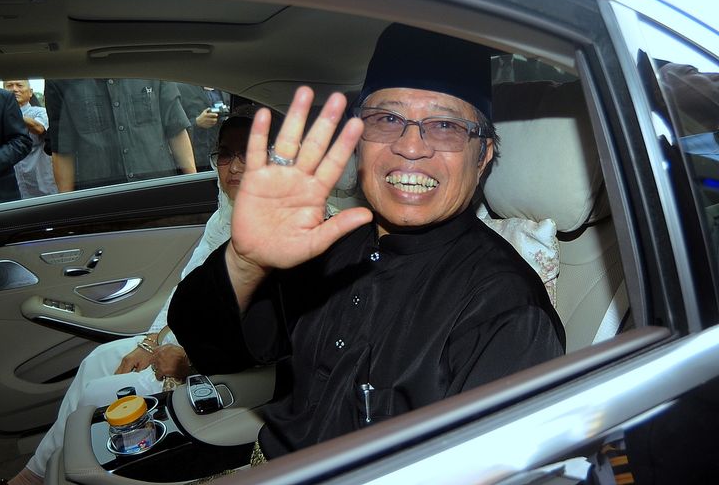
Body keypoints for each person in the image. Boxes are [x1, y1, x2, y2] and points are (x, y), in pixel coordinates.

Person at [168, 23, 566, 464]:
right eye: (388, 119)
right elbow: (216, 351)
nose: (410, 147)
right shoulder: (329, 246)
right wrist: (244, 262)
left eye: (445, 126)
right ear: (358, 140)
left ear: (484, 155)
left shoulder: (506, 311)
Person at [2, 106, 267, 485]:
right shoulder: (224, 216)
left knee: (102, 390)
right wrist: (149, 341)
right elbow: (185, 288)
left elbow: (262, 332)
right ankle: (34, 474)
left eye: (249, 154)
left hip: (221, 368)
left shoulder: (280, 235)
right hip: (186, 343)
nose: (235, 167)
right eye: (225, 154)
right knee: (98, 360)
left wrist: (189, 358)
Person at [44, 79, 197, 192]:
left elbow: (176, 129)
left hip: (159, 194)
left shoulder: (152, 66)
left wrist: (193, 188)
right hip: (100, 202)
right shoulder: (62, 80)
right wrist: (69, 211)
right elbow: (63, 149)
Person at [4, 79, 58, 198]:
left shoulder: (41, 112)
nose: (14, 89)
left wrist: (12, 112)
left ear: (30, 92)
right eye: (9, 86)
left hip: (42, 178)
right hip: (15, 183)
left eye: (19, 85)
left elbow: (39, 128)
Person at [177, 82, 230, 171]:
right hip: (197, 160)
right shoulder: (181, 87)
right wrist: (197, 123)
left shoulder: (227, 87)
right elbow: (174, 126)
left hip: (223, 156)